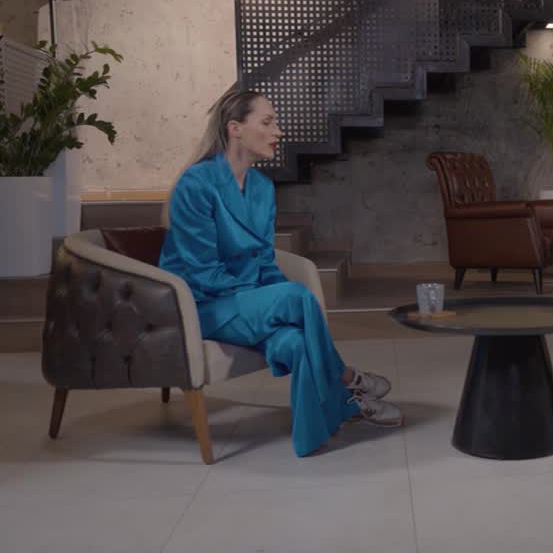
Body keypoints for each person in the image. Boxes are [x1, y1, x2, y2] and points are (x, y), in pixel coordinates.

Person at [160, 87, 403, 457]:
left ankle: (311, 436)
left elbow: (264, 262)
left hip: (246, 302)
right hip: (204, 305)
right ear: (235, 128)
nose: (278, 131)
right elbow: (203, 274)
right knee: (295, 297)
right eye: (268, 122)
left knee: (295, 340)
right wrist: (276, 300)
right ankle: (346, 384)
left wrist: (275, 299)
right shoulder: (195, 185)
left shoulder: (262, 187)